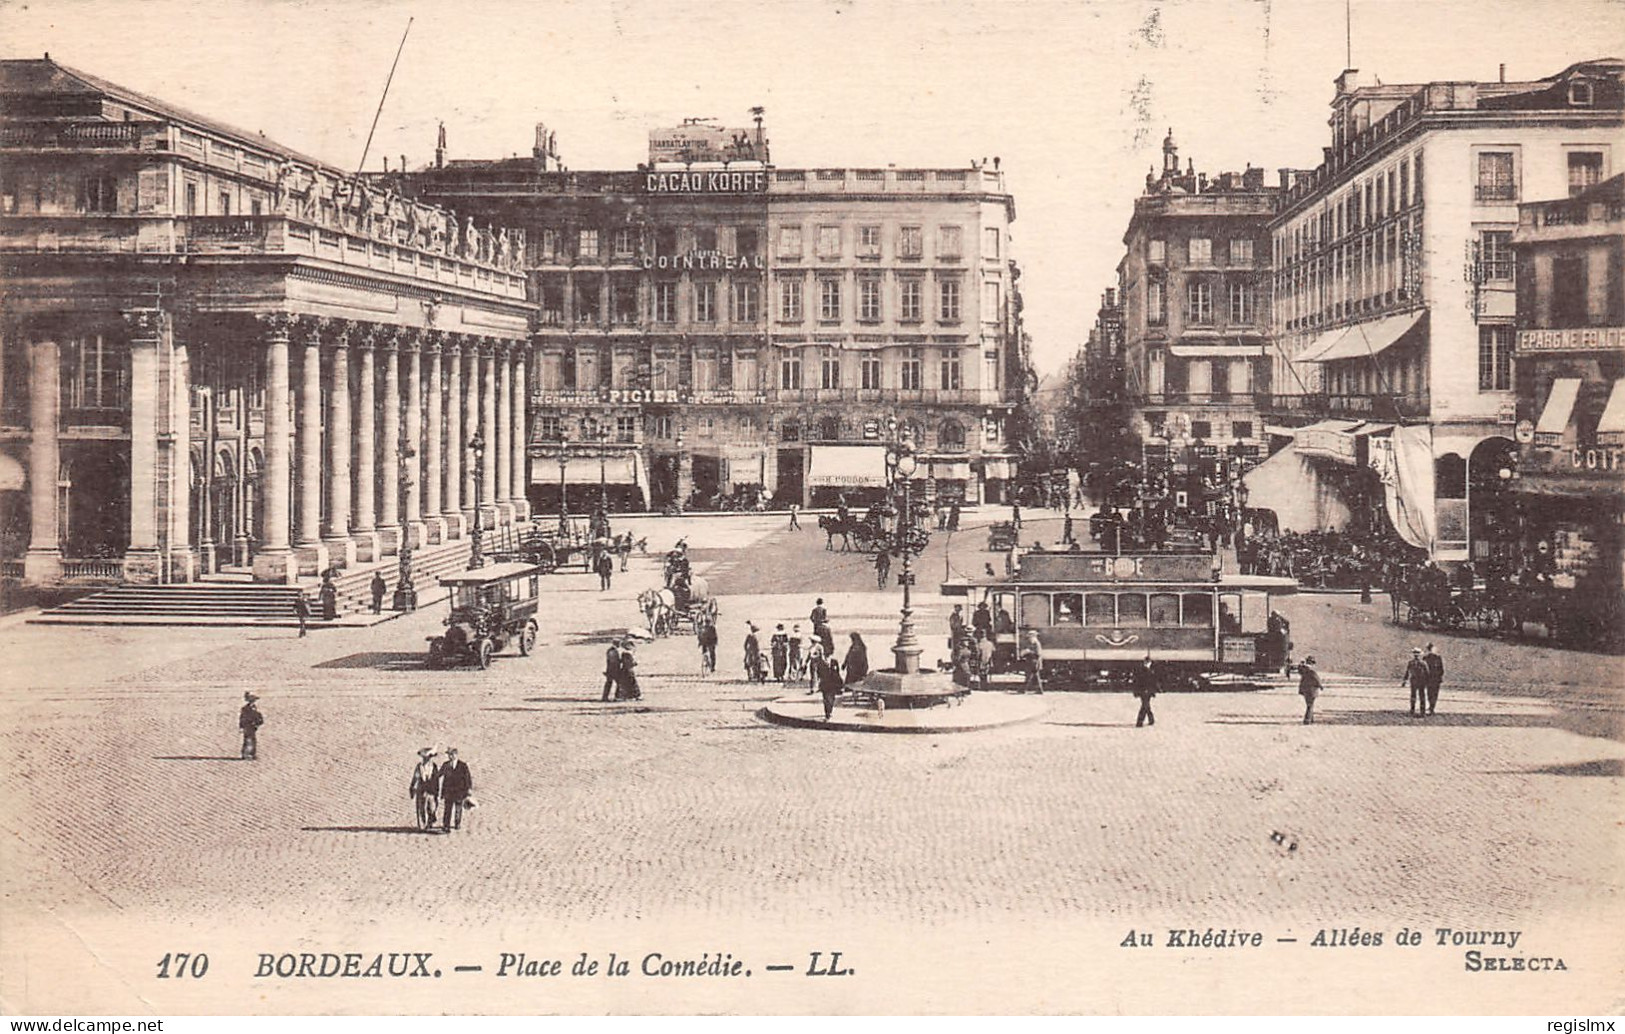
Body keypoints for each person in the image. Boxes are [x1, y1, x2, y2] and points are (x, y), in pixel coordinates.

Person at [438, 748, 472, 832]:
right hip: (448, 791)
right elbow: (439, 774)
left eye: (451, 755)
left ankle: (457, 823)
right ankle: (446, 825)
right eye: (449, 755)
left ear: (456, 755)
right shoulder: (446, 765)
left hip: (459, 791)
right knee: (447, 809)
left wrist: (468, 789)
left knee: (458, 808)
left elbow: (467, 778)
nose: (450, 756)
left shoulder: (463, 765)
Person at [409, 747, 439, 830]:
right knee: (421, 807)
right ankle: (422, 824)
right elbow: (415, 778)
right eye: (425, 758)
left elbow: (436, 779)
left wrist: (437, 790)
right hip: (421, 790)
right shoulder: (419, 767)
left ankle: (430, 823)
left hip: (431, 790)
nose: (427, 760)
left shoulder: (434, 766)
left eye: (429, 758)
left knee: (432, 807)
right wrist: (412, 788)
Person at [1403, 647, 1430, 717]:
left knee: (1422, 696)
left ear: (1420, 655)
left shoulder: (1423, 663)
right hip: (1414, 680)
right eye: (1415, 654)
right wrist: (1405, 680)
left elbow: (1427, 673)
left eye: (1417, 654)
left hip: (1421, 681)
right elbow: (1407, 671)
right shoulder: (1411, 663)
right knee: (1413, 696)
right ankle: (1412, 710)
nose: (1416, 655)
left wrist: (1427, 681)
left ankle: (1422, 711)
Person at [1133, 654, 1158, 727]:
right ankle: (1141, 722)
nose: (1147, 664)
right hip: (1144, 691)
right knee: (1145, 705)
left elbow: (1152, 682)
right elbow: (1138, 682)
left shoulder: (1150, 670)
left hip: (1147, 691)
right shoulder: (1143, 671)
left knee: (1146, 705)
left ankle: (1149, 720)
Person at [818, 654, 844, 721]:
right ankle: (827, 714)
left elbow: (837, 673)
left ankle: (829, 711)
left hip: (833, 684)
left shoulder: (834, 661)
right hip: (825, 684)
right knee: (826, 699)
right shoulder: (821, 663)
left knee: (831, 699)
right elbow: (819, 673)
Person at [238, 691, 263, 760]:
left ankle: (252, 754)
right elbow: (242, 718)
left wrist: (258, 722)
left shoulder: (254, 707)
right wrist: (242, 727)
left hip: (253, 726)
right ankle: (246, 754)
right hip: (248, 726)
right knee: (248, 740)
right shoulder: (245, 708)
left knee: (253, 740)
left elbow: (257, 716)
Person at [1298, 655, 1323, 724]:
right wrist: (1320, 686)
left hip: (1304, 689)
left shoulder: (1304, 670)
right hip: (1312, 690)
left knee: (1309, 704)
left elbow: (1299, 671)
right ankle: (1307, 719)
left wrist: (1301, 664)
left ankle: (1311, 718)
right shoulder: (1312, 671)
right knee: (1310, 705)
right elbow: (1316, 679)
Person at [1423, 643, 1444, 716]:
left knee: (1431, 693)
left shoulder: (1436, 658)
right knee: (1433, 693)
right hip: (1432, 679)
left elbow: (1441, 669)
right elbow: (1441, 669)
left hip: (1432, 679)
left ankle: (1431, 707)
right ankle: (1431, 707)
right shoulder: (1427, 658)